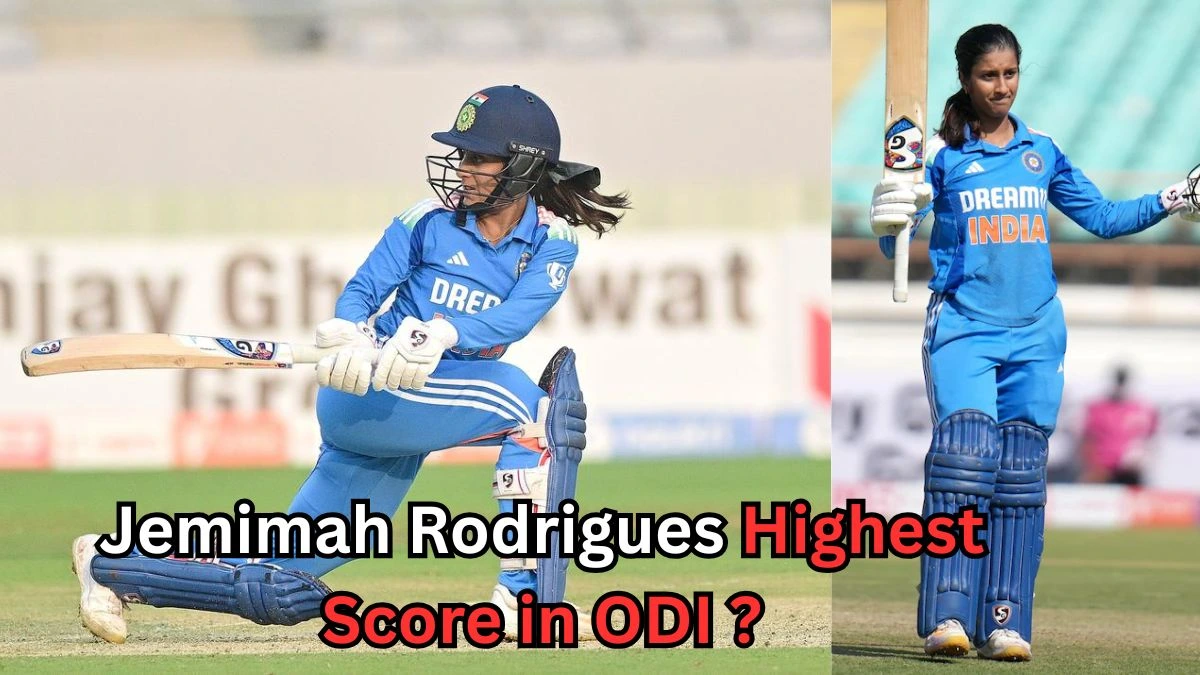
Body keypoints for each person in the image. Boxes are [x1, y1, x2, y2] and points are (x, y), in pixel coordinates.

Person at [69, 84, 630, 644]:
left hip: (419, 401)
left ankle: (114, 565)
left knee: (279, 573)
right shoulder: (426, 220)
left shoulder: (552, 240)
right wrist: (352, 334)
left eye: (479, 157)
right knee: (532, 410)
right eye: (462, 154)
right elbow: (363, 291)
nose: (463, 169)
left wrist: (443, 333)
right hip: (374, 388)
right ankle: (523, 600)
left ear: (524, 164)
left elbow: (516, 318)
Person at [868, 24, 1199, 662]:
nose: (1001, 87)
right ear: (965, 78)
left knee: (1020, 475)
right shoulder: (936, 154)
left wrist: (1175, 197)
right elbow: (893, 248)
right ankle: (947, 617)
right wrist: (891, 214)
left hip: (1038, 331)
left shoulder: (1040, 150)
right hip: (964, 326)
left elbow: (1102, 218)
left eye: (1010, 74)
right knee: (965, 459)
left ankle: (1005, 622)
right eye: (988, 75)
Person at [1077, 366, 1157, 486]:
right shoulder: (1096, 408)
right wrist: (1093, 466)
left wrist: (1140, 460)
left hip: (1131, 471)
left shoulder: (1141, 409)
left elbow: (1149, 440)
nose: (1120, 386)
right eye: (1118, 381)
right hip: (1101, 472)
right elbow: (1087, 440)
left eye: (1122, 381)